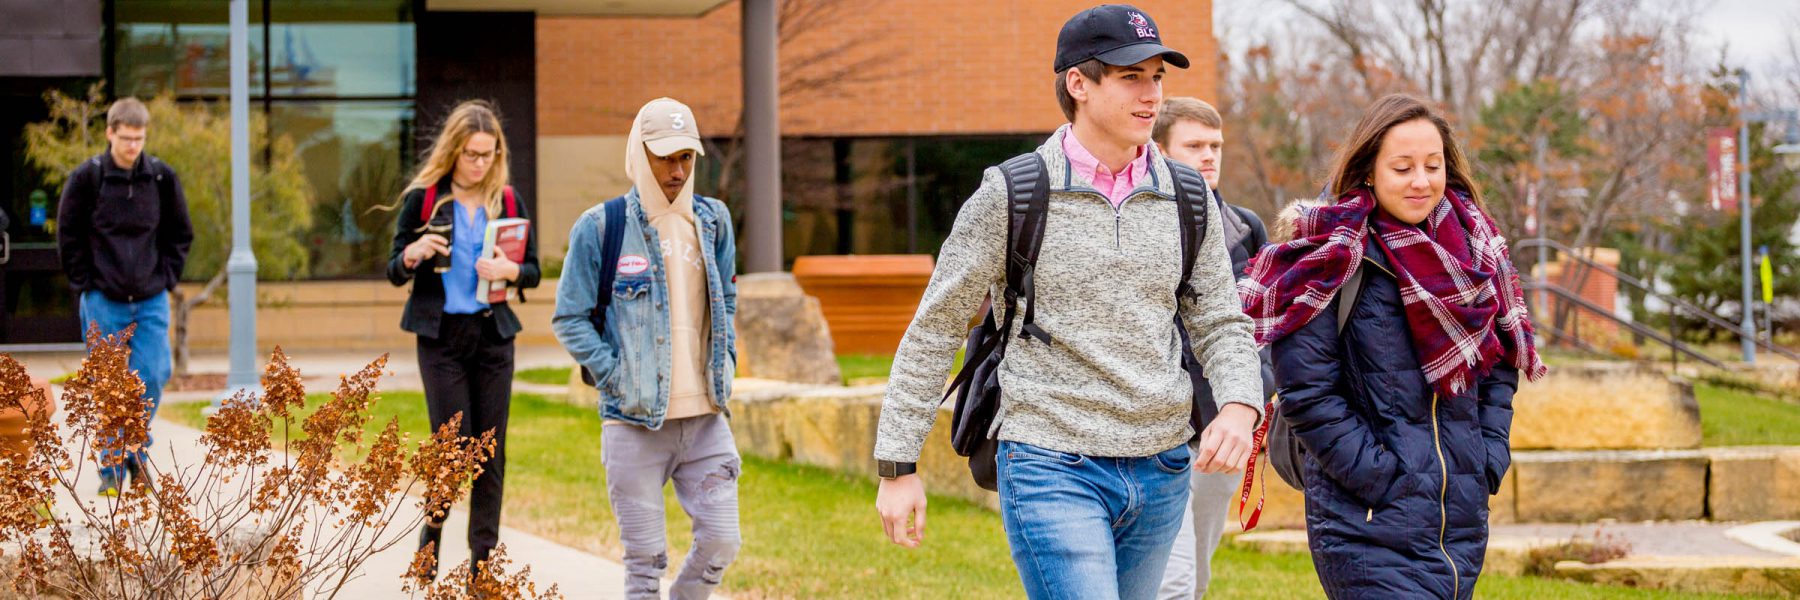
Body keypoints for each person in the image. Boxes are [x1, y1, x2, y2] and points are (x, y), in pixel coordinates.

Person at [872, 6, 1264, 599]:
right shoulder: (1011, 193)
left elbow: (1219, 318)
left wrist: (1239, 403)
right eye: (1131, 76)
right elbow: (935, 330)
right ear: (1079, 83)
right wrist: (897, 466)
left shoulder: (1188, 197)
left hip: (1162, 466)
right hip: (1050, 462)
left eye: (1157, 77)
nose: (1151, 93)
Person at [1240, 94, 1547, 599]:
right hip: (1366, 518)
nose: (1421, 181)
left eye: (1433, 165)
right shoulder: (1329, 257)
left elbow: (1496, 365)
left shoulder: (1472, 247)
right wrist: (1385, 480)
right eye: (1402, 167)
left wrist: (1488, 455)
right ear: (1369, 171)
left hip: (1458, 517)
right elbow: (1307, 394)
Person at [552, 97, 741, 600]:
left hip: (705, 421)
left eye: (686, 157)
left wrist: (726, 362)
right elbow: (568, 317)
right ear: (639, 152)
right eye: (665, 156)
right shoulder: (601, 226)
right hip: (633, 422)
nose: (677, 170)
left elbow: (728, 298)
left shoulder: (715, 221)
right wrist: (614, 375)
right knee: (644, 564)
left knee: (723, 540)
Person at [386, 100, 540, 579]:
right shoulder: (425, 200)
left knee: (490, 450)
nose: (480, 164)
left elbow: (532, 271)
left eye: (489, 154)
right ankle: (429, 542)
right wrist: (414, 252)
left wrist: (511, 270)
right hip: (441, 337)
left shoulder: (508, 201)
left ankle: (482, 565)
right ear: (454, 150)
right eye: (472, 154)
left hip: (493, 336)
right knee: (453, 447)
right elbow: (393, 270)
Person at [1150, 97, 1274, 600]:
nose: (1208, 156)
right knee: (1172, 581)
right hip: (1156, 432)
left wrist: (1255, 401)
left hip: (1222, 431)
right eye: (1194, 146)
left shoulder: (1245, 228)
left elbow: (1267, 326)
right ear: (1159, 152)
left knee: (1196, 572)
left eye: (1215, 146)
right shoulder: (1139, 225)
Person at [55, 97, 193, 497]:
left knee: (152, 373)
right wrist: (85, 284)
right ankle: (113, 467)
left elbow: (180, 234)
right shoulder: (88, 179)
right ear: (110, 133)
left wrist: (167, 277)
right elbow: (69, 236)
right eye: (126, 139)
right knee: (109, 384)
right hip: (104, 298)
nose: (133, 147)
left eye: (139, 139)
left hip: (150, 298)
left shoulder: (162, 179)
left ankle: (135, 449)